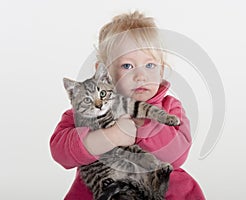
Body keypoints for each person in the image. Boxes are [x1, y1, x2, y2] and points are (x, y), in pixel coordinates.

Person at [50, 11, 206, 200]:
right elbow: (60, 151)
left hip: (159, 188)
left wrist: (142, 126)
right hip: (104, 189)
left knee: (180, 189)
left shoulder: (171, 107)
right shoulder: (86, 110)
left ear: (161, 70)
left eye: (150, 65)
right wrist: (110, 136)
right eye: (127, 66)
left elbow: (176, 156)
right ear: (105, 73)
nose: (140, 76)